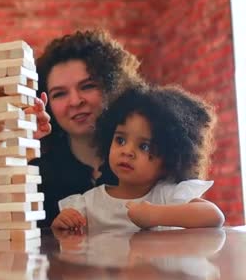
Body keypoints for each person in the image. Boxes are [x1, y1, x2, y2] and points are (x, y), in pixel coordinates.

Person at [51, 85, 225, 231]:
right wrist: (62, 224)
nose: (127, 151)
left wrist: (155, 215)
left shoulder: (166, 196)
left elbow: (213, 216)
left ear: (170, 158)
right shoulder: (88, 204)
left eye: (144, 146)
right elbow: (62, 239)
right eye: (120, 140)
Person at [30, 29, 145, 227]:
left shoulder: (147, 161)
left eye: (87, 86)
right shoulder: (36, 176)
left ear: (112, 87)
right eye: (59, 94)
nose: (75, 101)